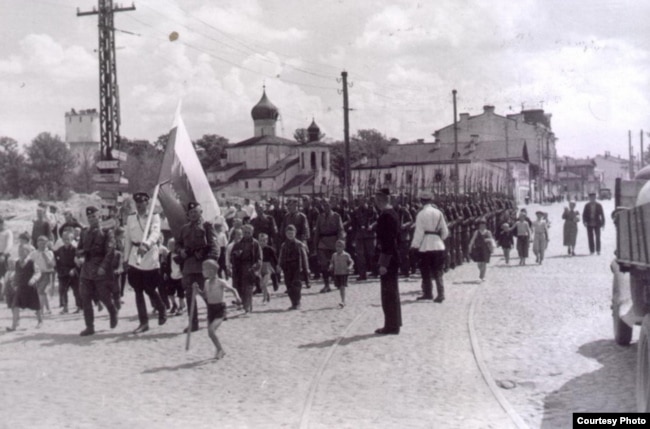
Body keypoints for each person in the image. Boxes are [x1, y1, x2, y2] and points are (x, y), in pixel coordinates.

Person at [124, 192, 167, 334]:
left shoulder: (154, 216)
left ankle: (161, 308)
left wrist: (147, 244)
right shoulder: (131, 218)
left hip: (149, 256)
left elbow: (155, 233)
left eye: (142, 203)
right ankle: (143, 322)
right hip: (135, 256)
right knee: (137, 290)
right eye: (137, 203)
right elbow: (128, 239)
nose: (139, 205)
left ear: (147, 203)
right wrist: (126, 259)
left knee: (149, 288)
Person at [176, 201, 219, 333]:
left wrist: (211, 263)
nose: (193, 214)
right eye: (191, 213)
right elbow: (178, 244)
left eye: (196, 212)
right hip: (189, 266)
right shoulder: (184, 229)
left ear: (201, 213)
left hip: (203, 266)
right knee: (189, 295)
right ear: (188, 215)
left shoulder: (207, 227)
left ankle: (215, 315)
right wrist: (180, 251)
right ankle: (193, 324)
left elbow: (214, 246)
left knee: (207, 293)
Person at [76, 206, 118, 336]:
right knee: (85, 297)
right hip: (87, 269)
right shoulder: (84, 232)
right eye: (89, 217)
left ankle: (112, 311)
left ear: (99, 217)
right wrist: (80, 255)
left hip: (100, 269)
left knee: (104, 297)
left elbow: (110, 252)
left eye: (94, 216)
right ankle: (90, 327)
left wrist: (103, 267)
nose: (92, 219)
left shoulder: (106, 232)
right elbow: (78, 249)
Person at [411, 192, 449, 303]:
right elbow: (445, 230)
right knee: (438, 270)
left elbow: (419, 233)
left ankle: (428, 293)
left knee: (425, 271)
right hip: (438, 244)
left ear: (421, 201)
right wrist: (440, 238)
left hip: (426, 245)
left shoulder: (421, 214)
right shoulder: (439, 212)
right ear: (431, 201)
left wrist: (414, 246)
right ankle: (441, 294)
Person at [373, 189, 402, 334]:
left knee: (388, 294)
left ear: (382, 200)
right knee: (392, 292)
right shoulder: (391, 214)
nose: (376, 203)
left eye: (377, 200)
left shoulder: (387, 216)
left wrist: (383, 263)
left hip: (388, 259)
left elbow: (388, 242)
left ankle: (391, 325)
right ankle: (394, 323)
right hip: (391, 257)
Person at [200, 259, 241, 360]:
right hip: (210, 309)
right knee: (210, 333)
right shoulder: (206, 282)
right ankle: (219, 350)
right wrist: (197, 291)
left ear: (212, 271)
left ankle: (221, 350)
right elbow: (205, 295)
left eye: (204, 269)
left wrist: (237, 297)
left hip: (220, 309)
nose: (202, 271)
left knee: (211, 330)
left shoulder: (220, 282)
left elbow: (233, 289)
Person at [6, 233, 42, 331]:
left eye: (22, 251)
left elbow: (38, 273)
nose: (20, 253)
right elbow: (17, 274)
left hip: (30, 287)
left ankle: (40, 321)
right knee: (15, 305)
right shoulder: (17, 263)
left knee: (36, 305)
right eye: (19, 251)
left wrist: (33, 279)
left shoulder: (31, 262)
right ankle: (14, 326)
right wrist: (14, 283)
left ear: (27, 252)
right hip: (21, 287)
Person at [313, 198, 345, 293]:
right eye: (323, 205)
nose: (325, 207)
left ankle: (337, 281)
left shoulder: (336, 216)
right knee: (323, 265)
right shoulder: (320, 217)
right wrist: (315, 245)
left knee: (335, 264)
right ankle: (326, 285)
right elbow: (317, 232)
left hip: (333, 242)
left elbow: (340, 230)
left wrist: (340, 242)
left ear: (331, 205)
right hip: (322, 242)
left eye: (327, 204)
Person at [230, 224, 262, 314]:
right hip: (239, 268)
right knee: (240, 288)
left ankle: (248, 307)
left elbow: (259, 257)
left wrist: (256, 267)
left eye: (249, 232)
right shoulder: (238, 244)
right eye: (245, 232)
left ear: (252, 233)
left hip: (250, 268)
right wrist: (236, 255)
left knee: (248, 288)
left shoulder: (255, 243)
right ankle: (244, 304)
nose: (247, 234)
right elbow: (232, 256)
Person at [278, 225, 308, 310]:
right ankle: (293, 302)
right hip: (287, 267)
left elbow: (304, 257)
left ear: (295, 233)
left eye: (292, 233)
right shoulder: (284, 245)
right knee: (288, 285)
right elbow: (281, 256)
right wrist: (279, 265)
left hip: (297, 267)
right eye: (288, 233)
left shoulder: (299, 244)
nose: (290, 235)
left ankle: (297, 302)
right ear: (285, 234)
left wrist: (305, 269)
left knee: (296, 285)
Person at [54, 231, 80, 314]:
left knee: (76, 290)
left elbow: (79, 263)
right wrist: (58, 270)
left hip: (73, 273)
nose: (66, 241)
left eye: (68, 239)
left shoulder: (75, 250)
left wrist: (74, 269)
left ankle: (79, 307)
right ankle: (65, 307)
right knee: (63, 290)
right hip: (63, 273)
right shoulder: (59, 250)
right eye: (64, 239)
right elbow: (55, 260)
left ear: (71, 239)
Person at [29, 236, 55, 315]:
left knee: (42, 291)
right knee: (42, 292)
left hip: (47, 273)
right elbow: (30, 263)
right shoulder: (34, 253)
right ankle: (48, 309)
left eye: (44, 244)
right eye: (40, 244)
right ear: (37, 244)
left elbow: (51, 265)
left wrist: (45, 255)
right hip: (37, 274)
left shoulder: (50, 253)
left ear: (47, 244)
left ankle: (40, 310)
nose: (42, 246)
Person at [161, 238, 185, 316]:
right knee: (170, 292)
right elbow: (167, 265)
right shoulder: (169, 255)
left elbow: (183, 265)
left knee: (181, 293)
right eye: (169, 245)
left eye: (172, 245)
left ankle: (181, 307)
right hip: (172, 276)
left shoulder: (180, 254)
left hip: (180, 276)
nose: (170, 247)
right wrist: (166, 273)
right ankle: (174, 304)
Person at [329, 239, 354, 308]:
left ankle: (343, 301)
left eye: (340, 246)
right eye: (337, 246)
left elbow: (351, 262)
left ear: (343, 247)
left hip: (344, 273)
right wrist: (331, 266)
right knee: (339, 287)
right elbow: (332, 262)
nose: (338, 248)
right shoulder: (334, 255)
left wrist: (349, 267)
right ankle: (343, 299)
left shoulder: (346, 255)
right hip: (337, 273)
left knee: (342, 287)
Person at [258, 233, 277, 302]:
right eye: (260, 240)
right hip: (260, 267)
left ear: (267, 241)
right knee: (261, 284)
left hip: (267, 267)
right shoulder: (257, 248)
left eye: (264, 240)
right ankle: (268, 294)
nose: (262, 242)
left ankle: (264, 298)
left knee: (264, 283)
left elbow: (275, 259)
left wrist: (277, 266)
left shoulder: (270, 249)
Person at [0, 217, 14, 298]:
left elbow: (9, 244)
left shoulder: (7, 232)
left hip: (4, 255)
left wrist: (3, 254)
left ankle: (6, 295)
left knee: (6, 276)